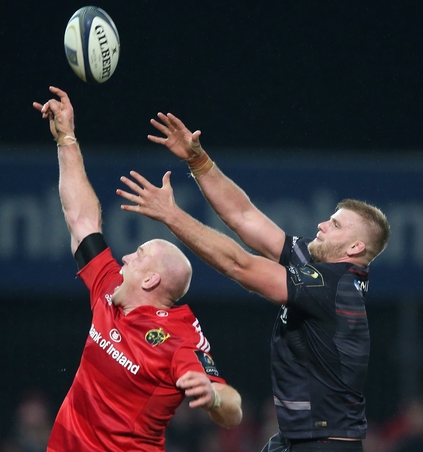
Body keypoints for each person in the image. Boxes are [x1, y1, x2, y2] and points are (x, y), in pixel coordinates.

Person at [116, 113, 390, 452]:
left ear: (355, 247)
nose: (321, 225)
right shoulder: (319, 269)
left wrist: (172, 215)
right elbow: (244, 217)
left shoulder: (334, 287)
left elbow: (239, 265)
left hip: (325, 445)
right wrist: (198, 159)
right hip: (294, 441)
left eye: (335, 225)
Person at [32, 87, 243, 452]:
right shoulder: (111, 288)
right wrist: (66, 137)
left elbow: (233, 409)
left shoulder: (179, 340)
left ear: (151, 279)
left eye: (139, 254)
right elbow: (82, 219)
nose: (125, 258)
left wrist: (213, 397)